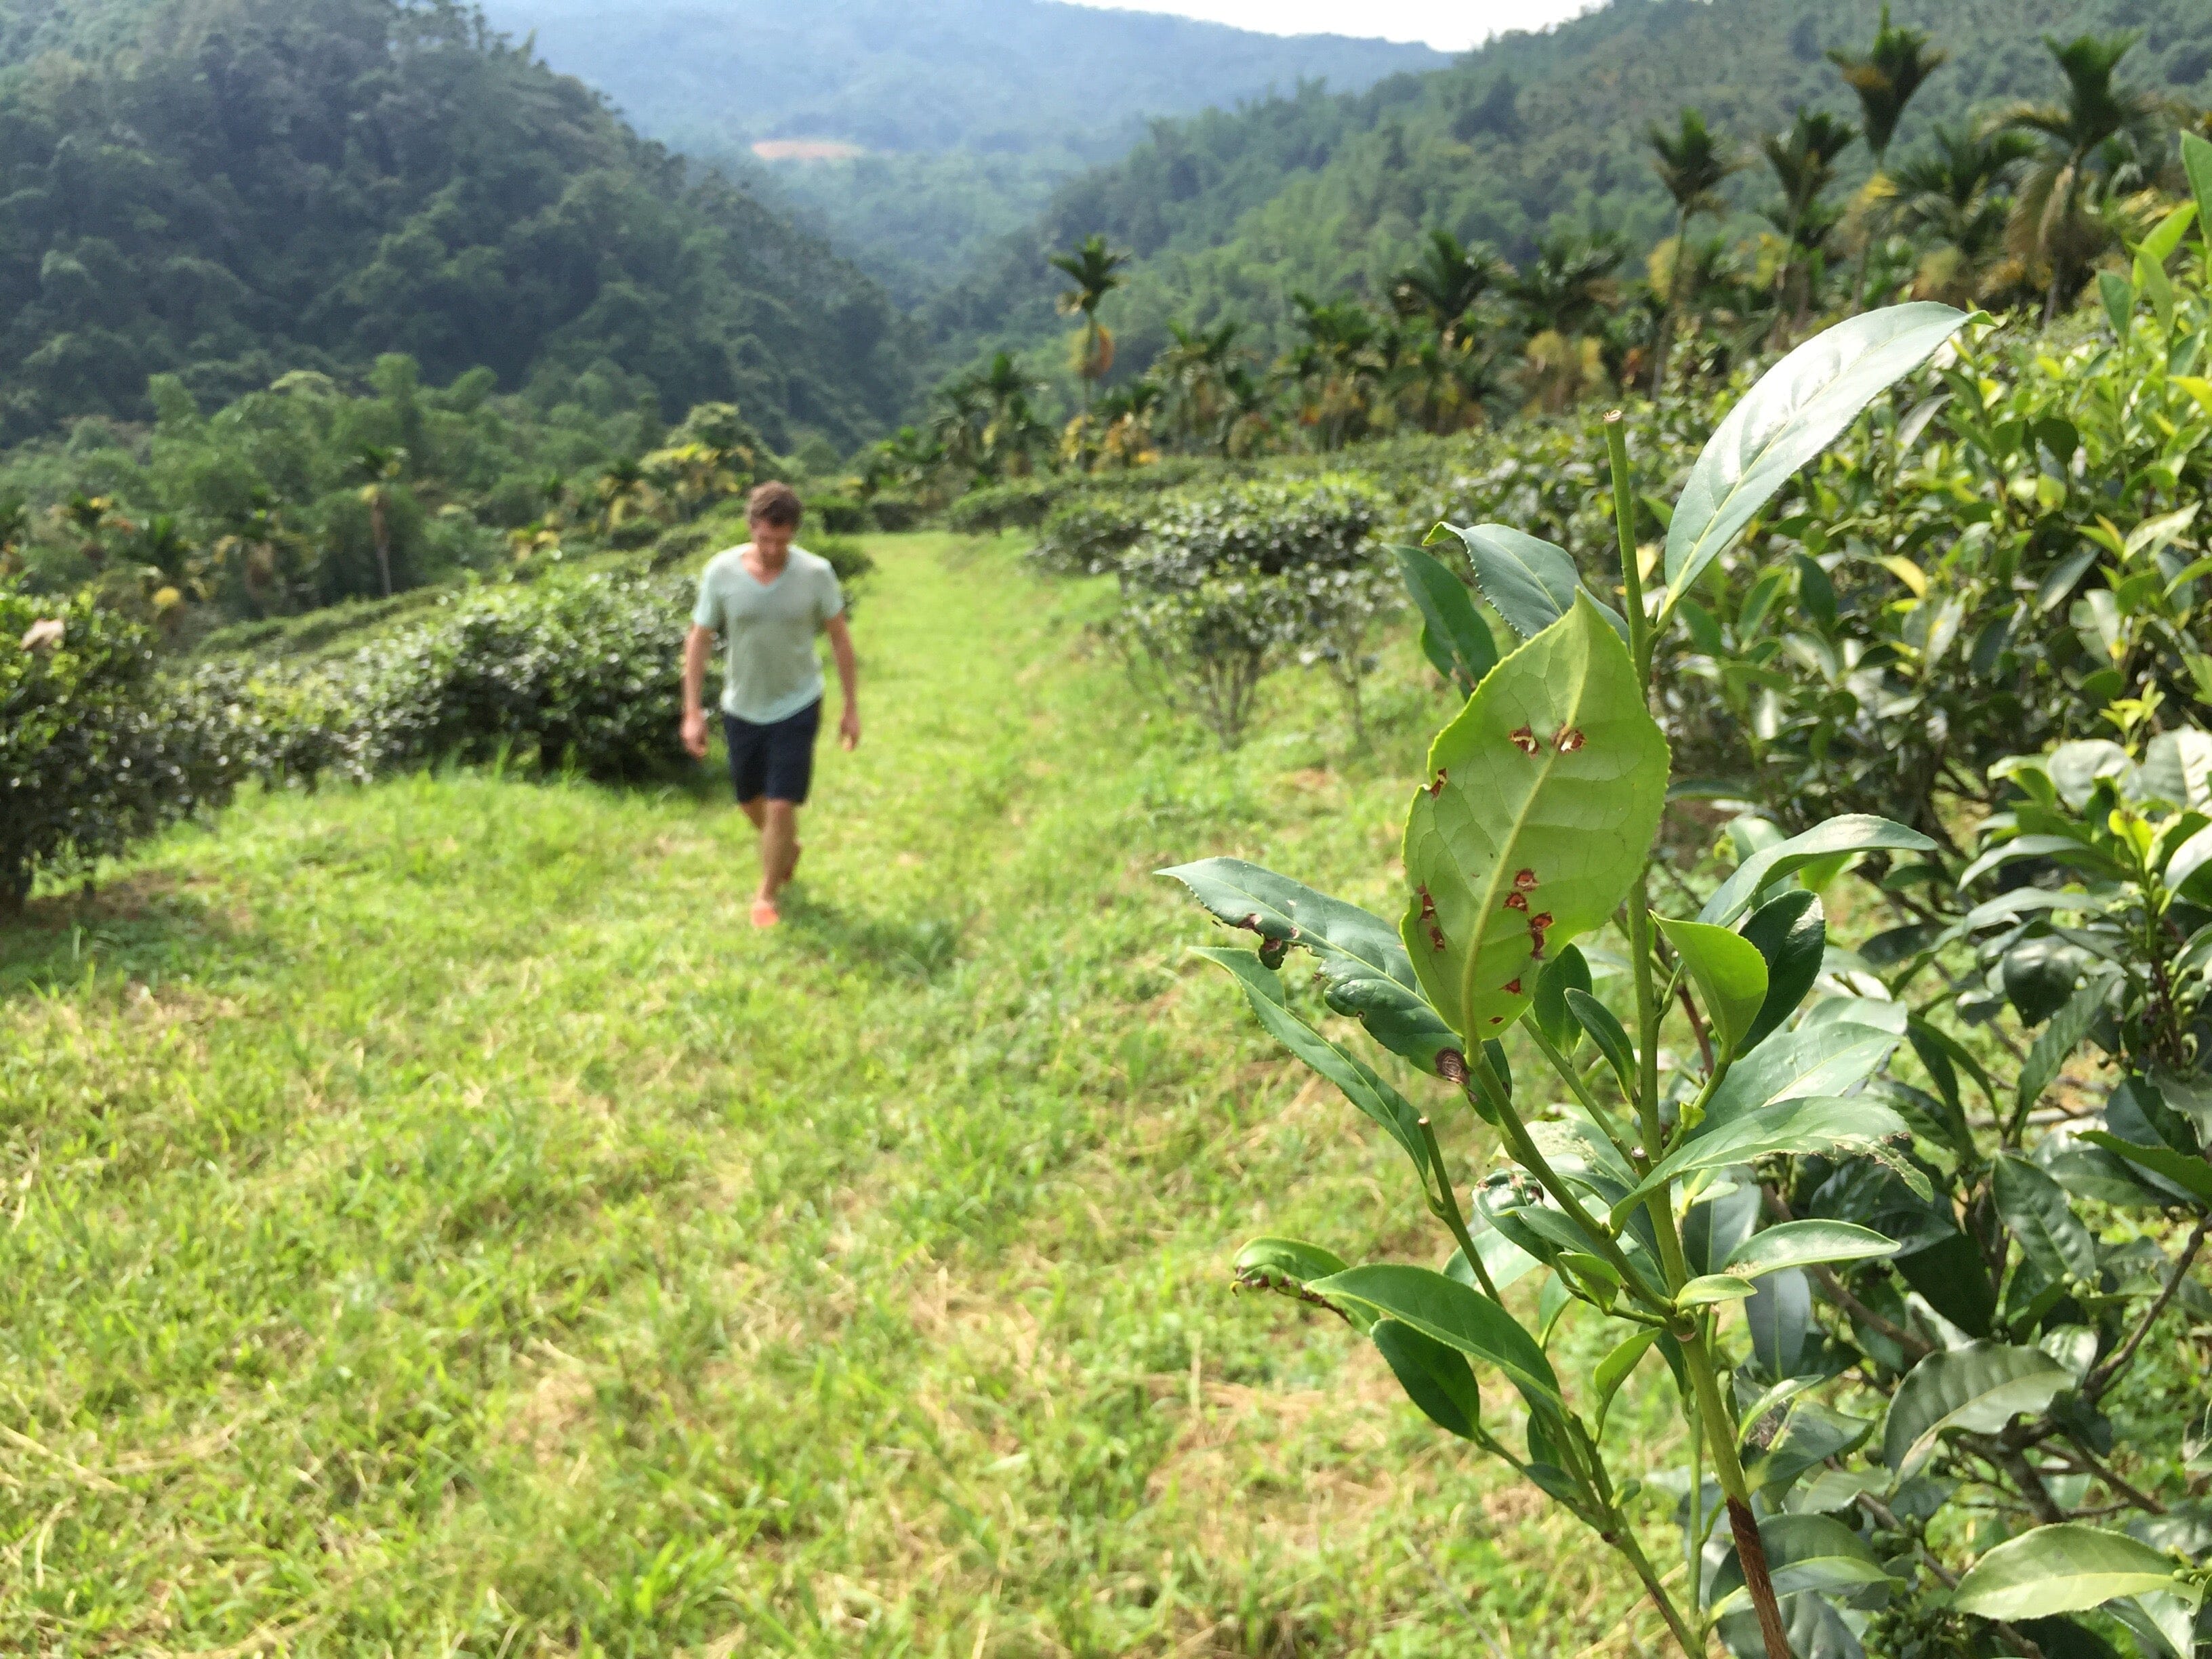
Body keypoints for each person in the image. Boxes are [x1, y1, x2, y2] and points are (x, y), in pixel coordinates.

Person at [682, 480, 859, 927]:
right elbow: (700, 639)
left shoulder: (816, 573)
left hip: (798, 701)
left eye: (783, 541)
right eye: (765, 539)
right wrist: (691, 711)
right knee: (750, 802)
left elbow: (839, 636)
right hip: (741, 704)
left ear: (795, 534)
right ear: (751, 528)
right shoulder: (720, 572)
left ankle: (766, 893)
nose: (773, 549)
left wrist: (851, 708)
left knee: (782, 805)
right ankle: (785, 847)